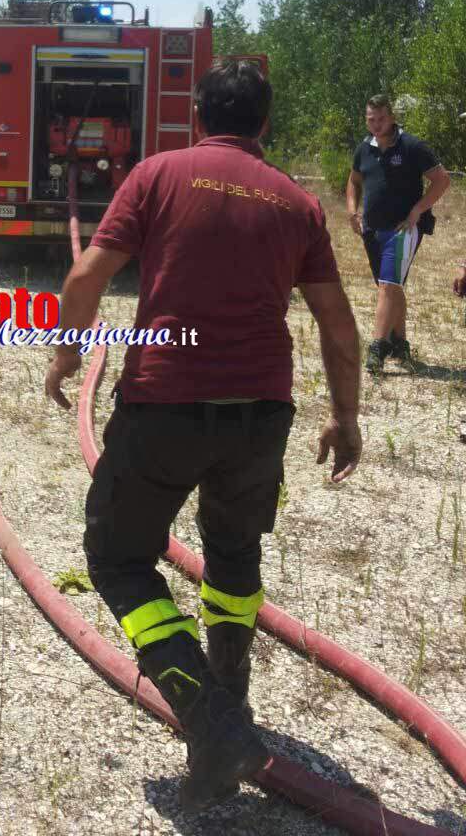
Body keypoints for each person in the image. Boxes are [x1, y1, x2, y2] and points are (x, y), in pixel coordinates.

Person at [44, 61, 361, 815]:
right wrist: (346, 416)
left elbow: (87, 276)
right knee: (233, 553)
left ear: (196, 117)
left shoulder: (158, 175)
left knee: (119, 556)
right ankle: (230, 697)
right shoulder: (297, 203)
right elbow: (337, 324)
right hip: (261, 416)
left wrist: (64, 353)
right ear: (265, 124)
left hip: (166, 407)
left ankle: (212, 721)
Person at [346, 95, 450, 375]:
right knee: (389, 286)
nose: (376, 125)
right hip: (371, 230)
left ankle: (377, 347)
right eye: (371, 119)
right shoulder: (363, 149)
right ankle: (400, 343)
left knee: (388, 286)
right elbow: (354, 181)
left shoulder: (412, 146)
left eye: (381, 119)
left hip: (403, 229)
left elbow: (442, 179)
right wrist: (353, 211)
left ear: (391, 117)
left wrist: (417, 210)